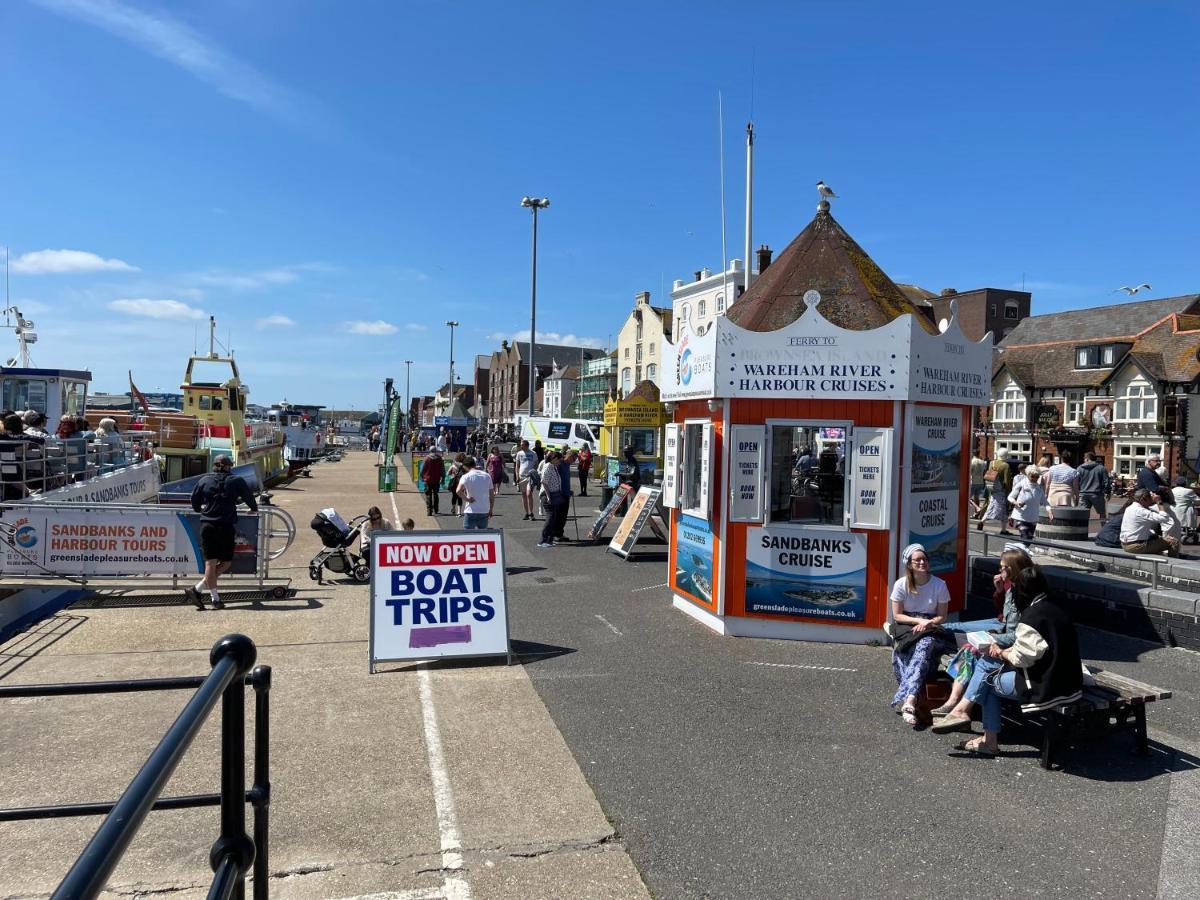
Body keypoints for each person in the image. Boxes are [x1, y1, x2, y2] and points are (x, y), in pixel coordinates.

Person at [952, 566, 1083, 758]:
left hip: (1047, 688)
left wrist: (1001, 653)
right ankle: (963, 710)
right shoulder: (1056, 607)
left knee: (988, 681)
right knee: (988, 666)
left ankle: (984, 736)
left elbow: (1021, 659)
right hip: (1070, 682)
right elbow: (1040, 648)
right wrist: (1003, 652)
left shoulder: (1031, 617)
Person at [932, 545, 1033, 732]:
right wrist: (1000, 590)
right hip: (1003, 633)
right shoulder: (1012, 589)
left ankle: (958, 707)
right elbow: (1004, 614)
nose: (1000, 570)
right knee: (968, 647)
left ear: (1012, 569)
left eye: (1002, 567)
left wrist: (992, 638)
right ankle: (955, 704)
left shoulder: (1023, 594)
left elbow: (1016, 633)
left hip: (1013, 649)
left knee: (972, 649)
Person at [889, 543, 954, 727]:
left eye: (924, 559)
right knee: (906, 651)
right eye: (917, 560)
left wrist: (927, 623)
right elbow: (897, 615)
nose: (922, 562)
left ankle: (909, 700)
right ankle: (914, 697)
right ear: (909, 564)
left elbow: (942, 616)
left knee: (925, 644)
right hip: (908, 626)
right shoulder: (901, 584)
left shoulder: (939, 585)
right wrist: (918, 621)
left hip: (931, 626)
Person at [184, 454, 258, 610]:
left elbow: (194, 500)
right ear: (227, 467)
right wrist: (254, 509)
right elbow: (249, 497)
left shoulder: (204, 480)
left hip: (207, 525)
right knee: (225, 563)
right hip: (226, 526)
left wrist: (200, 509)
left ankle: (197, 589)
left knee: (210, 563)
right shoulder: (237, 481)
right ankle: (215, 598)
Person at [1119, 488, 1179, 556]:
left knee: (1158, 538)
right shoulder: (1141, 511)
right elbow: (1164, 518)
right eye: (1149, 500)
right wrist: (1159, 502)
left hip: (1125, 544)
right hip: (1136, 546)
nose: (1150, 502)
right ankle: (1172, 561)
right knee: (1173, 542)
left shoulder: (1129, 508)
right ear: (1143, 499)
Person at [456, 456, 495, 530]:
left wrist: (467, 499)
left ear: (465, 466)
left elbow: (458, 491)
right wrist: (491, 509)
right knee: (482, 535)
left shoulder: (465, 476)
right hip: (484, 510)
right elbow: (492, 495)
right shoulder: (487, 476)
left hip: (470, 510)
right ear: (474, 464)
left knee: (468, 536)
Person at [1007, 464, 1045, 540]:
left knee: (1029, 539)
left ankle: (1018, 550)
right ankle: (1015, 550)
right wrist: (1016, 503)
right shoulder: (1021, 484)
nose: (1035, 479)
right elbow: (1010, 497)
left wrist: (1048, 508)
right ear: (1028, 475)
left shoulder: (1039, 487)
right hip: (1020, 516)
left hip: (1032, 517)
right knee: (1025, 537)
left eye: (1037, 477)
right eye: (1032, 476)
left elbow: (1043, 500)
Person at [977, 453, 1013, 534]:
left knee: (993, 506)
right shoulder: (1005, 465)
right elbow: (1007, 480)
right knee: (1002, 508)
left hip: (992, 489)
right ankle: (984, 522)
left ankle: (983, 522)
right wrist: (1009, 490)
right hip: (1001, 490)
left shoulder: (992, 463)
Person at [536, 451, 564, 548]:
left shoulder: (553, 467)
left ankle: (549, 539)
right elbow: (544, 482)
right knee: (550, 517)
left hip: (554, 494)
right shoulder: (548, 466)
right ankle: (542, 540)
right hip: (548, 495)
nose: (560, 463)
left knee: (553, 518)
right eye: (559, 461)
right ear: (555, 459)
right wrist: (548, 496)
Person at [1076, 451, 1111, 525]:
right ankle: (1103, 530)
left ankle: (1082, 531)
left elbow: (1076, 482)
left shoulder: (1079, 468)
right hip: (1097, 494)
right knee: (1102, 514)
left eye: (1084, 459)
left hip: (1083, 494)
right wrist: (1108, 492)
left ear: (1087, 459)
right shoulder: (1101, 468)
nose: (1084, 461)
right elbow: (1106, 482)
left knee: (1082, 515)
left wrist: (1078, 491)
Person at [514, 439, 539, 521]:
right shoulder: (519, 453)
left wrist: (533, 471)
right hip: (522, 476)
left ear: (526, 445)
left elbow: (536, 464)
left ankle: (531, 513)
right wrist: (517, 476)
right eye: (521, 445)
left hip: (530, 477)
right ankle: (526, 513)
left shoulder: (533, 453)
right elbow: (517, 466)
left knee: (529, 494)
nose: (521, 446)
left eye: (522, 445)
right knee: (524, 495)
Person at [554, 449, 575, 541]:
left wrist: (569, 490)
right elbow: (556, 478)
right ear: (569, 456)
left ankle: (559, 533)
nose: (573, 461)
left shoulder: (567, 465)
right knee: (558, 514)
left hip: (566, 493)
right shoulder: (560, 463)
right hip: (559, 493)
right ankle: (555, 534)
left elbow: (565, 479)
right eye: (573, 459)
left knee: (563, 515)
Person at [1171, 476, 1198, 542]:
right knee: (1191, 509)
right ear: (1185, 483)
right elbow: (1197, 500)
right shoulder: (1188, 491)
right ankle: (1189, 530)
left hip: (1174, 511)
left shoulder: (1172, 490)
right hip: (1184, 512)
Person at [420, 449, 445, 516]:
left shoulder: (427, 458)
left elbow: (422, 469)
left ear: (430, 451)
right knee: (436, 494)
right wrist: (443, 478)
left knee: (428, 495)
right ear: (435, 451)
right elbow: (443, 469)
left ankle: (429, 511)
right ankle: (436, 509)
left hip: (428, 480)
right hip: (436, 479)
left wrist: (421, 477)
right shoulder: (439, 458)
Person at [968, 450, 989, 518]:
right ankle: (976, 514)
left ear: (972, 453)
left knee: (967, 498)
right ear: (978, 453)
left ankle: (977, 508)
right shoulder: (982, 462)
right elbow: (985, 472)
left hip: (973, 481)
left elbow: (969, 472)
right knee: (976, 498)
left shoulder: (972, 461)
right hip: (980, 482)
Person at [485, 445, 506, 512]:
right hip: (492, 470)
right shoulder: (490, 455)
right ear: (492, 450)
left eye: (496, 449)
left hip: (499, 469)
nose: (495, 450)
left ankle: (498, 489)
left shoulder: (500, 455)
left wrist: (504, 466)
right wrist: (486, 468)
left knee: (499, 480)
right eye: (494, 449)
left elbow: (503, 461)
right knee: (493, 480)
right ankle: (493, 490)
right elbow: (488, 462)